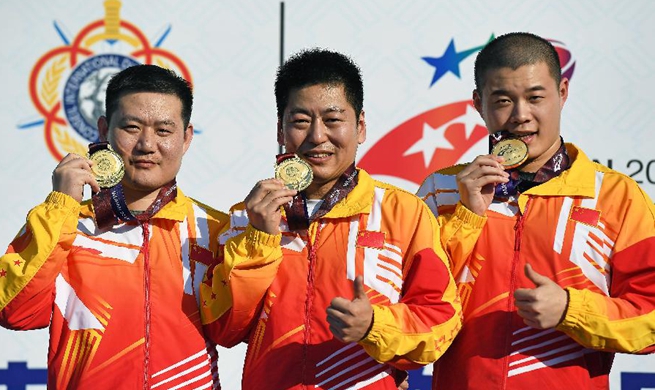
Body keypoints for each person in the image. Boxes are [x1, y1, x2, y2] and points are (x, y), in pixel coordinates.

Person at [200, 48, 462, 389]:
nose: (317, 136)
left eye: (333, 119)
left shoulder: (403, 213)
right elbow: (224, 329)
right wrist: (259, 241)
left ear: (361, 126)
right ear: (280, 130)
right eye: (300, 121)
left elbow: (441, 319)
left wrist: (374, 326)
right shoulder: (247, 217)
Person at [417, 32, 655, 389]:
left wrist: (571, 310)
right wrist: (465, 215)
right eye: (502, 100)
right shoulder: (441, 190)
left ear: (562, 93)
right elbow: (417, 309)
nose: (520, 116)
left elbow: (650, 317)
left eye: (535, 97)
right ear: (478, 103)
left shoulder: (614, 195)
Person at [0, 65, 227, 389]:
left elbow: (236, 330)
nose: (147, 144)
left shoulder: (215, 230)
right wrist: (60, 207)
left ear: (186, 137)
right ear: (104, 130)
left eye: (164, 130)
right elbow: (14, 311)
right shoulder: (67, 225)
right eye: (131, 127)